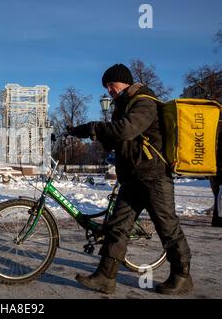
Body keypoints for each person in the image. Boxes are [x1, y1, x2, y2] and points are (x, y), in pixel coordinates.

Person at [67, 63, 193, 295]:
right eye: (106, 87)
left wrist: (95, 127)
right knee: (117, 227)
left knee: (167, 227)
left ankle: (182, 275)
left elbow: (127, 130)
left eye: (111, 85)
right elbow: (117, 139)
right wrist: (85, 132)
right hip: (134, 178)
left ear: (124, 82)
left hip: (154, 177)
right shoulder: (122, 107)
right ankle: (106, 276)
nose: (109, 91)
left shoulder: (145, 102)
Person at [210, 110, 222, 227]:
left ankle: (217, 220)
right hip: (217, 170)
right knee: (218, 195)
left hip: (214, 169)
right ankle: (218, 220)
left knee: (217, 195)